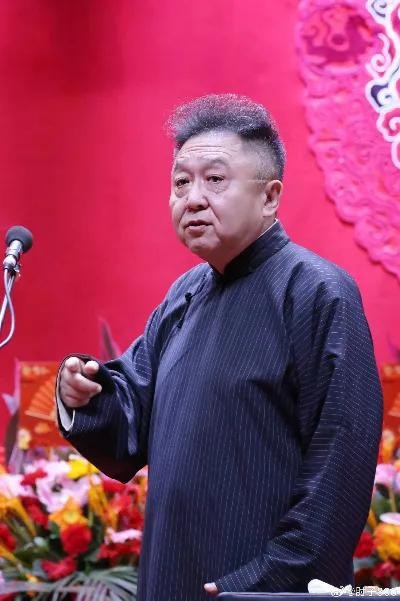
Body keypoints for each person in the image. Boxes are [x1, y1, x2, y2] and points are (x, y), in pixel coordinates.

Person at [56, 94, 383, 601]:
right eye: (180, 182)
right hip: (171, 577)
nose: (192, 198)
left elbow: (341, 465)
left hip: (258, 588)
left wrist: (264, 583)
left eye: (214, 179)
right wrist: (83, 393)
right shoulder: (184, 295)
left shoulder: (318, 292)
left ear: (270, 196)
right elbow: (131, 418)